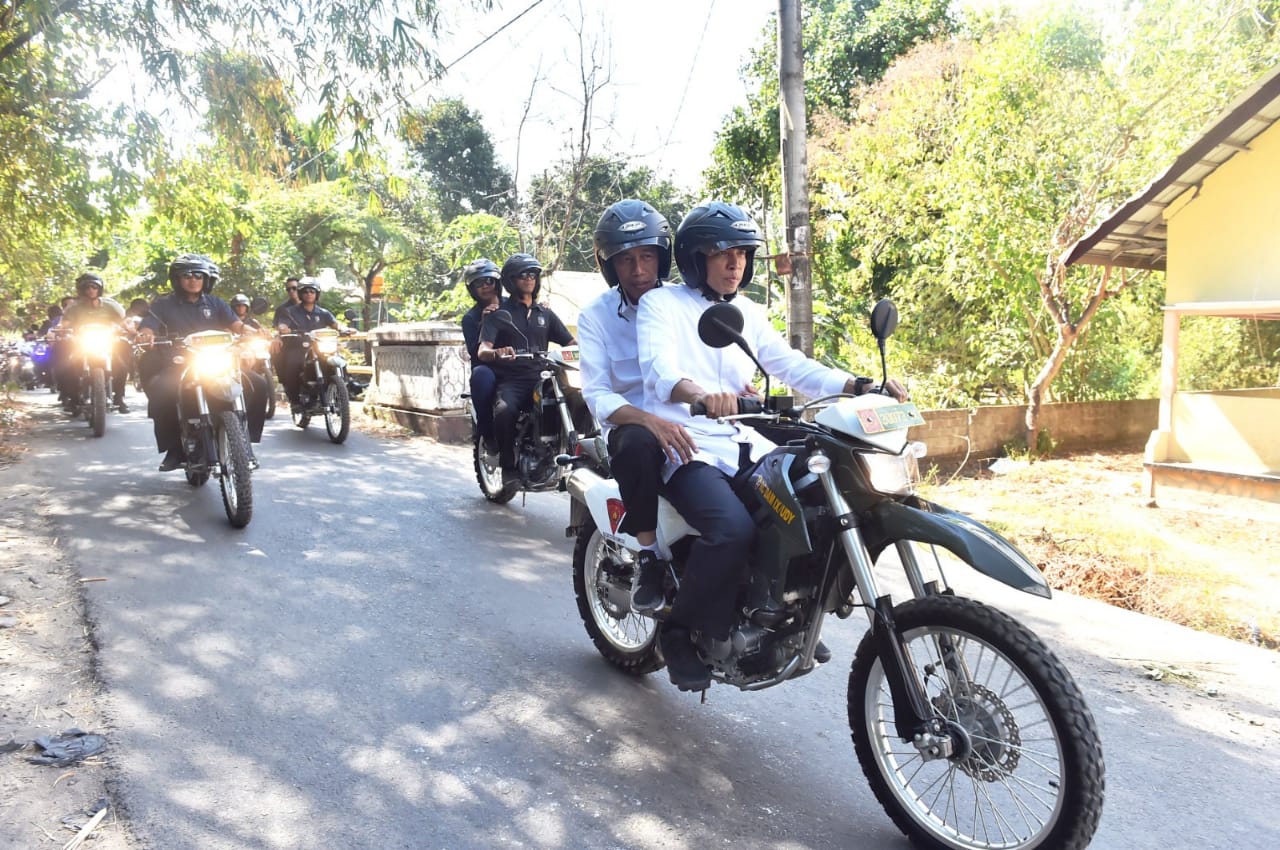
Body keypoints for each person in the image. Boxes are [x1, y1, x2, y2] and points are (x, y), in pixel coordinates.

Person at [636, 201, 909, 690]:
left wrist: (858, 384)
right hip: (689, 444)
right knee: (733, 531)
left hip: (746, 440)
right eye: (721, 253)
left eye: (741, 252)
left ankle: (780, 611)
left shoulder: (748, 311)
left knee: (810, 503)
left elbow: (790, 365)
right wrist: (698, 395)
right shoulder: (663, 305)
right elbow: (659, 369)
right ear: (696, 259)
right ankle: (678, 631)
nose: (735, 262)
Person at [579, 199, 695, 614]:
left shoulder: (687, 303)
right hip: (632, 425)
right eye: (626, 260)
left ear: (663, 258)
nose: (639, 270)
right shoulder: (596, 317)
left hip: (692, 424)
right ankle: (648, 556)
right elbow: (597, 393)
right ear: (610, 267)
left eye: (647, 256)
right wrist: (649, 420)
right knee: (634, 445)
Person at [135, 253, 269, 471]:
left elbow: (237, 325)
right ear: (177, 279)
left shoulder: (216, 303)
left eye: (199, 275)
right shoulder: (163, 305)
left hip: (217, 361)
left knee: (258, 384)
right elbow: (149, 324)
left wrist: (254, 333)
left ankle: (245, 439)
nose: (193, 279)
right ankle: (174, 449)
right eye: (187, 275)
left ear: (206, 279)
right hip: (180, 363)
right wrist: (146, 334)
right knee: (161, 390)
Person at [476, 253, 575, 481]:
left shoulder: (545, 314)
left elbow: (571, 343)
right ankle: (508, 466)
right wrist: (497, 352)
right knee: (505, 410)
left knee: (576, 399)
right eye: (523, 275)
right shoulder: (498, 313)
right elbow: (483, 350)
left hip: (544, 377)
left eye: (533, 274)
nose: (529, 279)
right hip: (513, 379)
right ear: (511, 280)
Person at [275, 277, 352, 415]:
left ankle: (344, 391)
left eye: (312, 291)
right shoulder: (290, 311)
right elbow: (282, 324)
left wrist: (345, 328)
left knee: (340, 361)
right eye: (305, 291)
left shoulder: (323, 312)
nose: (309, 294)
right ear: (300, 294)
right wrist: (283, 328)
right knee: (292, 365)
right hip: (298, 347)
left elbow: (336, 323)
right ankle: (295, 402)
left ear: (317, 294)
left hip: (320, 348)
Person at [58, 272, 132, 413]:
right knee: (67, 367)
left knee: (122, 365)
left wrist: (129, 328)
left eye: (94, 287)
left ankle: (119, 397)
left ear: (100, 289)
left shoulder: (111, 305)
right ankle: (73, 399)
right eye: (87, 288)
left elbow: (124, 321)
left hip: (108, 342)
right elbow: (64, 323)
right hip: (81, 344)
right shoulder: (74, 307)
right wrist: (59, 329)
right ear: (81, 290)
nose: (91, 290)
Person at [459, 258, 502, 454]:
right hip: (490, 366)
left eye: (489, 281)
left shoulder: (515, 304)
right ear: (472, 289)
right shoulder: (470, 318)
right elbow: (474, 353)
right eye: (479, 283)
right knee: (481, 377)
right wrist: (484, 323)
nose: (486, 286)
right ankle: (489, 436)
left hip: (520, 363)